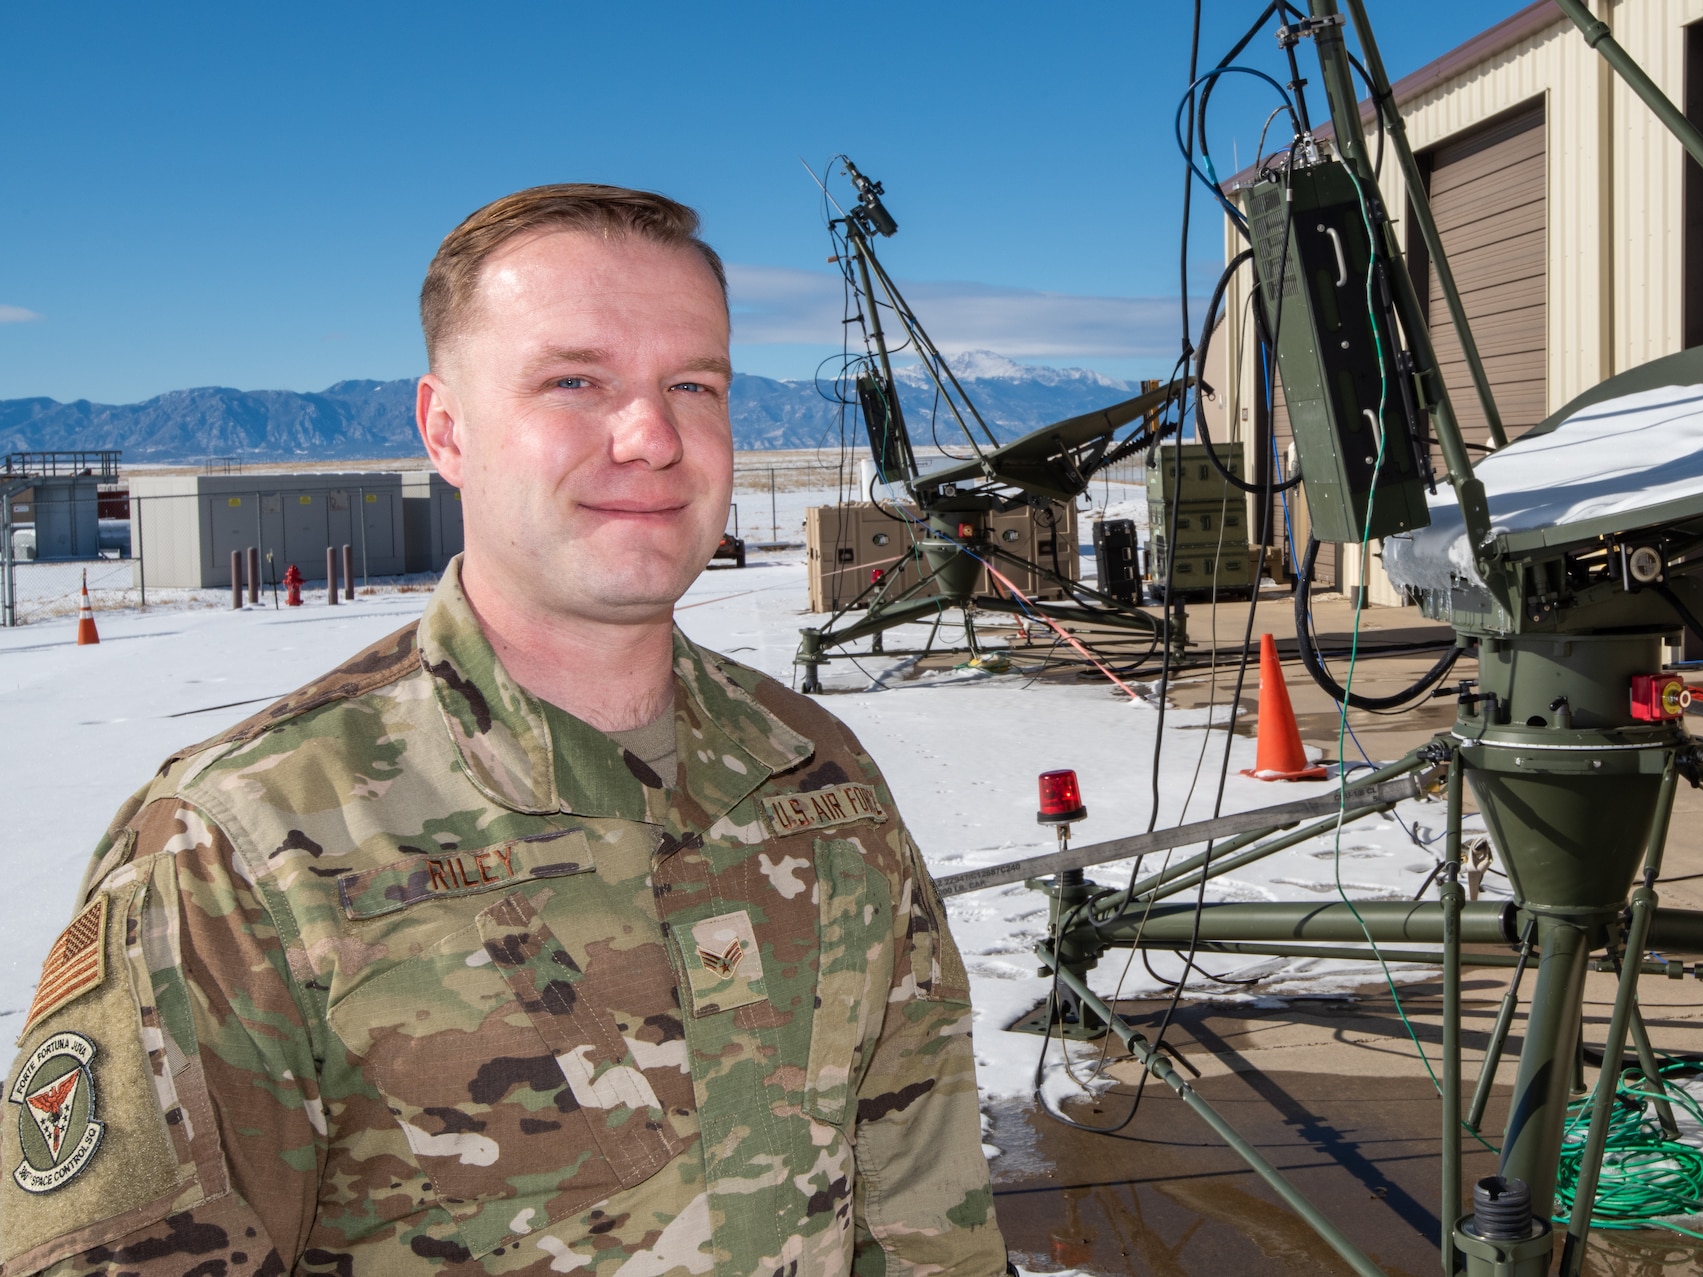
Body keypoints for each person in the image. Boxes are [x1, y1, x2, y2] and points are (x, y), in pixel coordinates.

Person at [0, 185, 1007, 1277]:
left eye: (693, 383)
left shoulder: (820, 772)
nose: (652, 435)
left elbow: (923, 1199)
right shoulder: (241, 848)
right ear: (446, 429)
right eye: (573, 380)